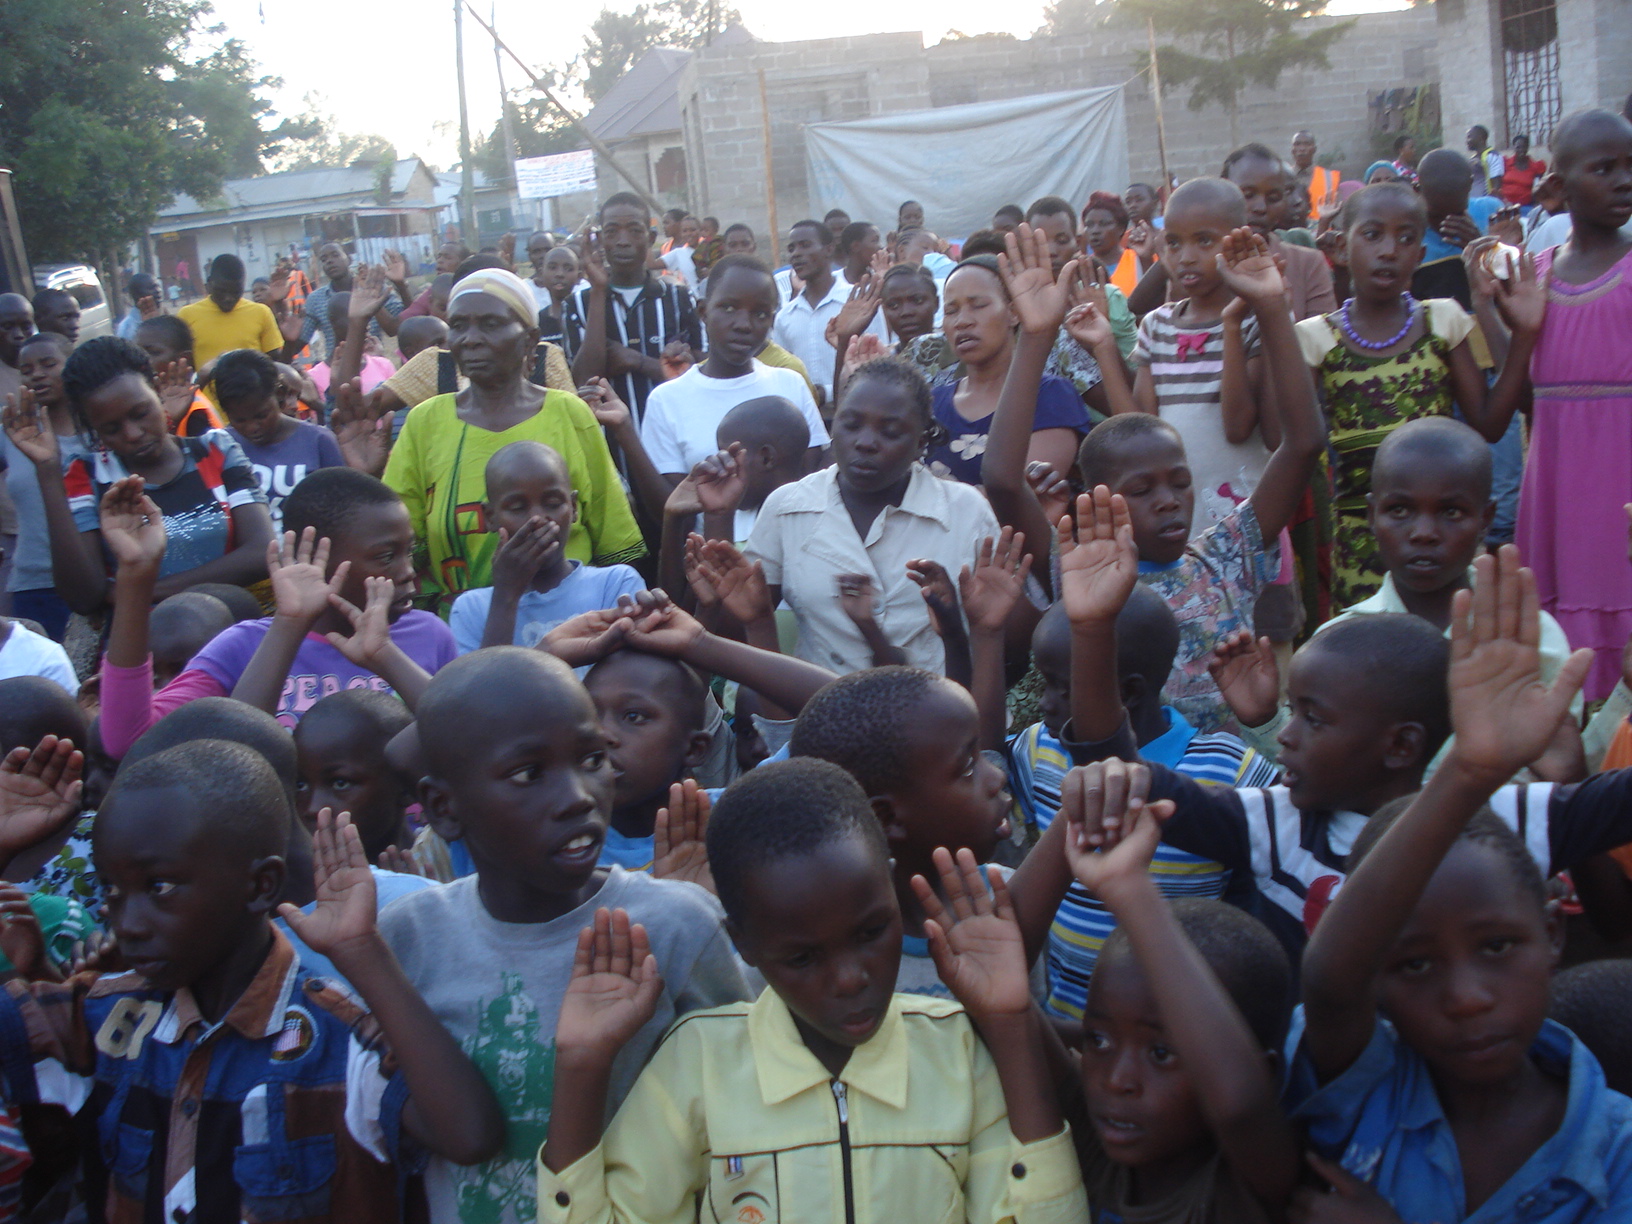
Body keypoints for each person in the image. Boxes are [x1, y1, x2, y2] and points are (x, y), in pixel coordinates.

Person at [534, 756, 1088, 1224]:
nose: (850, 978)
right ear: (744, 944)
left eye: (871, 932)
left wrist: (1011, 1023)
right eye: (802, 957)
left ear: (891, 889)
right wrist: (581, 1065)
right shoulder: (699, 1062)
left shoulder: (958, 1054)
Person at [0, 738, 507, 1224]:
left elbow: (469, 1134)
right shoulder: (109, 1016)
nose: (127, 921)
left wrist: (360, 952)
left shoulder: (332, 1041)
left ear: (261, 885)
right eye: (113, 890)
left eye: (160, 887)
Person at [1290, 551, 1632, 1222]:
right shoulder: (1364, 1085)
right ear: (1376, 980)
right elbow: (1328, 980)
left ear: (1555, 931)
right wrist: (1470, 771)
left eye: (1498, 947)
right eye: (1413, 964)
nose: (1468, 999)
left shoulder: (1617, 1152)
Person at [377, 646, 753, 1224]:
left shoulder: (679, 926)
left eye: (592, 759)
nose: (578, 796)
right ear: (443, 808)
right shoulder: (409, 936)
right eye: (529, 773)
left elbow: (742, 1130)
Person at [1056, 224, 1324, 733]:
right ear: (1096, 500)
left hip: (1234, 776)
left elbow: (1303, 444)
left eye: (1180, 483)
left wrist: (1270, 309)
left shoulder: (1225, 555)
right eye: (1141, 490)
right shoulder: (1088, 585)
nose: (1168, 501)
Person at [1017, 563, 1277, 1019]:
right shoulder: (1042, 746)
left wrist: (1263, 725)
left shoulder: (1224, 765)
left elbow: (1303, 817)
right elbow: (984, 762)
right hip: (1063, 1021)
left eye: (1062, 688)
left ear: (1129, 692)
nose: (1045, 703)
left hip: (1174, 1031)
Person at [1061, 760, 1301, 1222]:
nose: (1117, 1080)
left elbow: (1237, 1105)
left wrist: (1128, 888)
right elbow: (1009, 1012)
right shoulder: (1093, 1152)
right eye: (1099, 1041)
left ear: (1263, 1073)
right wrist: (1084, 815)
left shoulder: (1244, 1190)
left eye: (1162, 1053)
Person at [1295, 181, 1541, 607]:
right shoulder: (1318, 338)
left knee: (1445, 642)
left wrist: (1523, 334)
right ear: (1339, 247)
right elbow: (1298, 437)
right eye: (1372, 235)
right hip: (1361, 538)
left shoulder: (1440, 321)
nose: (1389, 250)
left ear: (1420, 256)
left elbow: (1490, 423)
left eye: (1406, 238)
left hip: (1438, 536)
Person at [94, 466, 454, 752]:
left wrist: (386, 656)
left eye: (410, 551)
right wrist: (135, 577)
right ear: (316, 558)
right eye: (386, 556)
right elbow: (129, 739)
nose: (407, 571)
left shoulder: (428, 634)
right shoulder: (244, 645)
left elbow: (468, 740)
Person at [385, 266, 644, 615]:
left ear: (529, 339)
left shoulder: (569, 413)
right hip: (463, 637)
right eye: (459, 326)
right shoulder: (425, 422)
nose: (471, 339)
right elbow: (400, 548)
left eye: (490, 324)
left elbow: (615, 543)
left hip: (575, 631)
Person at [745, 356, 1000, 676]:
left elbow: (1002, 637)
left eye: (890, 431)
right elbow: (748, 617)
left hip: (937, 717)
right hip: (819, 711)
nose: (865, 443)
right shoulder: (787, 507)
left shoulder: (965, 510)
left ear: (921, 442)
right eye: (850, 425)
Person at [3, 337, 274, 615]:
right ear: (92, 428)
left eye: (140, 413)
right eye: (111, 428)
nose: (132, 433)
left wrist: (138, 591)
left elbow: (261, 550)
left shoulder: (215, 450)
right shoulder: (88, 476)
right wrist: (47, 470)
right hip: (141, 648)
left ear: (157, 390)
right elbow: (84, 596)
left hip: (234, 631)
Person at [1512, 108, 1632, 701]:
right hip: (1558, 488)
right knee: (1564, 650)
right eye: (1605, 168)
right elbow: (1508, 403)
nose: (1625, 180)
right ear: (1557, 187)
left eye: (1631, 167)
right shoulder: (1534, 278)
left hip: (1623, 484)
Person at [639, 255, 827, 492]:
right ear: (703, 311)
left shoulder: (790, 384)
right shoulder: (666, 400)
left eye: (760, 314)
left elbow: (813, 480)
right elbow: (672, 505)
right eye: (729, 308)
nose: (743, 324)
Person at [449, 440, 645, 652]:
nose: (538, 518)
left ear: (573, 507)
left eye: (553, 504)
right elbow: (482, 684)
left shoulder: (614, 584)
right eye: (517, 508)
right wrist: (506, 596)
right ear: (490, 517)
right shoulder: (472, 609)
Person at [926, 251, 1088, 484]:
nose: (962, 321)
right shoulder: (932, 403)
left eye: (978, 305)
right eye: (951, 311)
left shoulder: (1052, 397)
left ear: (1013, 312)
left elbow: (1024, 495)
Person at [562, 193, 703, 424]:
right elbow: (586, 380)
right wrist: (598, 290)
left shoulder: (678, 298)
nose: (623, 241)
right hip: (608, 449)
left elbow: (699, 376)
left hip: (672, 440)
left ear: (651, 238)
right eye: (612, 232)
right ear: (600, 240)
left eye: (635, 231)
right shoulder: (578, 304)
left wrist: (636, 360)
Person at [2, 332, 85, 639]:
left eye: (49, 364)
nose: (37, 374)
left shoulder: (98, 427)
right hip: (32, 585)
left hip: (95, 581)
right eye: (27, 370)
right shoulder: (12, 428)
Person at [213, 347, 345, 529]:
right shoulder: (220, 446)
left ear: (280, 395)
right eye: (239, 420)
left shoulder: (318, 441)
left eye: (261, 415)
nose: (252, 427)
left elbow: (343, 510)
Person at [1024, 196, 1137, 396]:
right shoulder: (1020, 308)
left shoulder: (1108, 297)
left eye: (1061, 241)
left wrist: (1102, 336)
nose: (1050, 251)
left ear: (1076, 243)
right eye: (1040, 242)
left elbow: (1136, 384)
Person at [293, 687, 418, 862]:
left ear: (406, 788)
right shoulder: (287, 879)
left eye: (340, 783)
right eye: (300, 785)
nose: (312, 808)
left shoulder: (445, 867)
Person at [770, 219, 884, 405]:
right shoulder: (785, 316)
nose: (797, 254)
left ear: (829, 249)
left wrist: (827, 392)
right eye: (791, 249)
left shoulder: (860, 302)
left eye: (805, 245)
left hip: (857, 410)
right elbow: (783, 375)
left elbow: (881, 363)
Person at [1221, 143, 1337, 320]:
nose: (1261, 207)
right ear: (1223, 193)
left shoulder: (1308, 264)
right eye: (1248, 195)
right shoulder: (1200, 262)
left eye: (1273, 198)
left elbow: (1321, 345)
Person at [176, 254, 284, 372]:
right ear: (209, 285)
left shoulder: (261, 312)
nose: (228, 298)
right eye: (221, 291)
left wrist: (291, 343)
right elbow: (182, 365)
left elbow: (275, 363)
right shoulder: (186, 316)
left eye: (236, 292)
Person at [293, 242, 403, 356]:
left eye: (335, 255)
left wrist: (397, 286)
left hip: (373, 364)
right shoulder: (315, 299)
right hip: (337, 367)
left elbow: (397, 327)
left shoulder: (376, 288)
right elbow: (299, 343)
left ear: (349, 259)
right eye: (324, 259)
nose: (329, 261)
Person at [132, 314, 226, 436]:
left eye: (153, 352)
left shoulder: (195, 416)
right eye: (137, 351)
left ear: (183, 359)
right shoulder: (153, 401)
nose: (142, 359)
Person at [1081, 192, 1141, 297]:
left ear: (1121, 228)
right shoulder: (1082, 268)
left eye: (1104, 224)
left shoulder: (1139, 261)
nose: (1095, 231)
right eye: (1089, 225)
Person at [534, 245, 580, 348]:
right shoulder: (537, 323)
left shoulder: (585, 317)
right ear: (541, 273)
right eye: (552, 268)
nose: (560, 274)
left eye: (568, 269)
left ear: (578, 276)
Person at [1291, 129, 1342, 220]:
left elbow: (1338, 213)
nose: (1302, 148)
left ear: (1314, 149)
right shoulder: (1283, 177)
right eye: (1297, 144)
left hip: (1322, 230)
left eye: (1307, 144)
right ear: (1292, 149)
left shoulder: (1330, 177)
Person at [1500, 132, 1548, 206]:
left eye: (1524, 147)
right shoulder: (1505, 163)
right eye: (1518, 147)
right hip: (1505, 204)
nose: (1521, 150)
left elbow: (1539, 188)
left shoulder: (1536, 167)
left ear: (1527, 148)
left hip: (1526, 205)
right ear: (1514, 148)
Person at [116, 272, 161, 341]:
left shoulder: (163, 318)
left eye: (158, 286)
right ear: (137, 294)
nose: (158, 290)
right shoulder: (127, 328)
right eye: (151, 288)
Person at [837, 220, 883, 286]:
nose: (881, 246)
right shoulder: (832, 282)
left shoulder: (880, 280)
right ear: (856, 246)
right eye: (874, 241)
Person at [1467, 123, 1504, 196]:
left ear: (1480, 138)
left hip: (1485, 202)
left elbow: (1496, 185)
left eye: (1469, 137)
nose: (1467, 141)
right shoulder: (1472, 158)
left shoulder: (1492, 156)